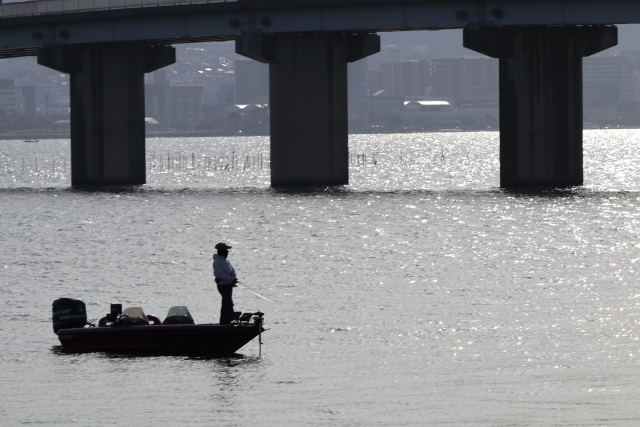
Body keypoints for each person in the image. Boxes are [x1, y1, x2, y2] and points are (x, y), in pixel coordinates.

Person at [213, 242, 238, 324]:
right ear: (221, 251)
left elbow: (232, 271)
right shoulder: (217, 261)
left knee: (225, 304)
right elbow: (219, 274)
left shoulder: (227, 261)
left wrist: (233, 279)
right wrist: (230, 280)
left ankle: (223, 322)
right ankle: (230, 320)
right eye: (226, 250)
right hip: (222, 286)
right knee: (229, 303)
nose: (227, 252)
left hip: (228, 285)